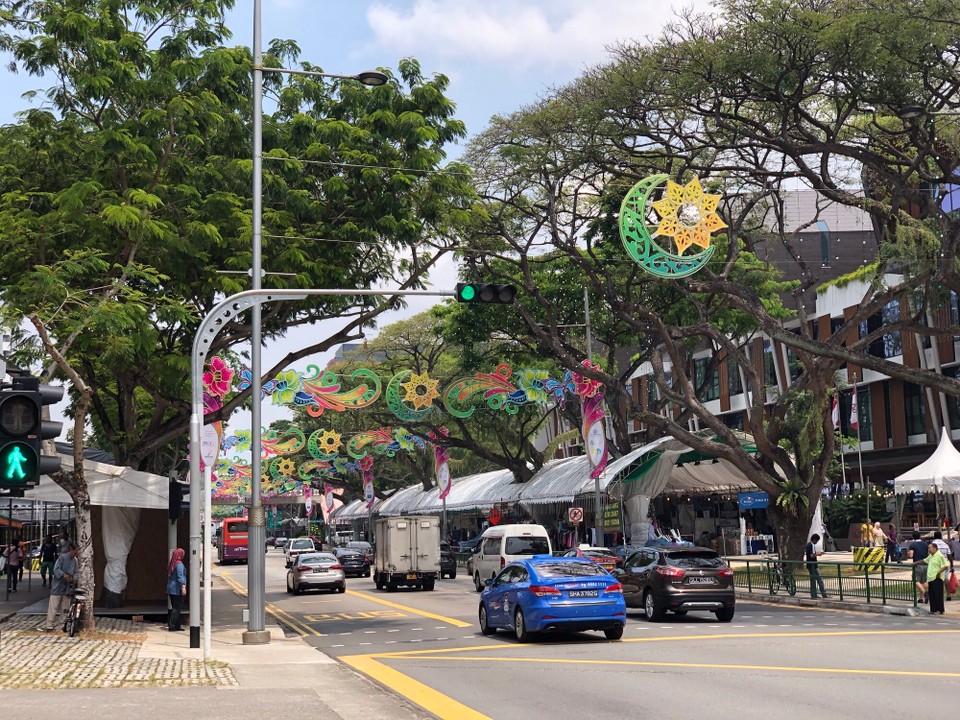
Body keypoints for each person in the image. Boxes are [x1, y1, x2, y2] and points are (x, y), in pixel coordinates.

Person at [45, 542, 78, 632]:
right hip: (58, 585)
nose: (75, 554)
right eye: (74, 552)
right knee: (53, 607)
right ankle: (49, 625)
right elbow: (56, 569)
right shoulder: (62, 557)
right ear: (71, 549)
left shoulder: (75, 560)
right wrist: (63, 575)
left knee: (65, 608)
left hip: (68, 587)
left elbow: (76, 572)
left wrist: (73, 578)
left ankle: (62, 626)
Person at [925, 541, 949, 614]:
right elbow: (924, 561)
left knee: (938, 594)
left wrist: (939, 572)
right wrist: (915, 563)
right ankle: (933, 609)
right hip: (931, 578)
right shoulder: (931, 556)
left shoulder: (939, 555)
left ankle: (940, 609)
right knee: (932, 594)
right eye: (928, 548)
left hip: (937, 578)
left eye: (930, 548)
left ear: (935, 548)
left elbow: (945, 565)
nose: (928, 550)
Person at [166, 547, 187, 632]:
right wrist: (183, 587)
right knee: (177, 608)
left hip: (170, 588)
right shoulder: (179, 564)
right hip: (177, 589)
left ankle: (177, 625)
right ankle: (172, 625)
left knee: (176, 607)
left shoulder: (172, 563)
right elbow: (180, 576)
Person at [907, 531, 929, 603]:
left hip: (917, 564)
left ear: (913, 537)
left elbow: (911, 555)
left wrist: (908, 553)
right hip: (926, 564)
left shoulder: (912, 545)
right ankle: (921, 598)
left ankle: (925, 593)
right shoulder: (925, 544)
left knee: (915, 580)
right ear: (920, 536)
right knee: (922, 582)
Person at [805, 534, 829, 599]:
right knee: (819, 579)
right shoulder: (810, 545)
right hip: (813, 566)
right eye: (817, 541)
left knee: (813, 580)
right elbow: (811, 555)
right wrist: (818, 554)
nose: (817, 542)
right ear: (815, 540)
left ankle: (814, 594)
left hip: (811, 565)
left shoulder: (809, 545)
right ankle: (823, 594)